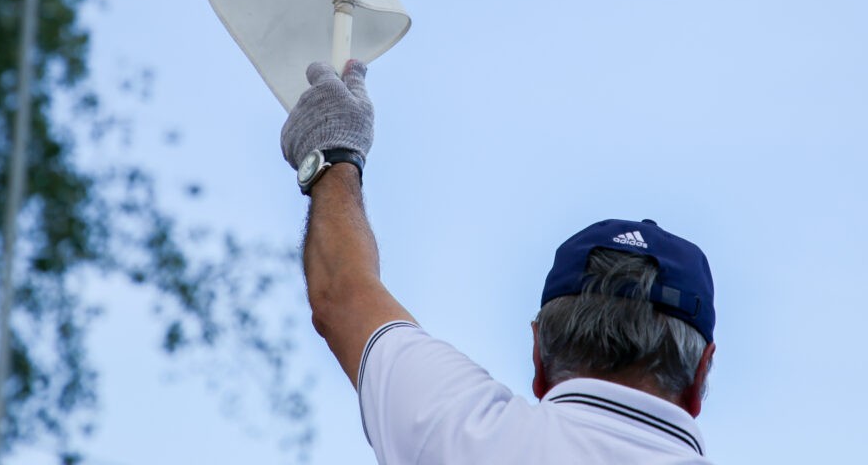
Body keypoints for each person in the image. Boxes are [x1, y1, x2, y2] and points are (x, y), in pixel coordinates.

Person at [281, 61, 718, 464]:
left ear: (539, 358)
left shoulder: (463, 431)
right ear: (701, 376)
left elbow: (342, 292)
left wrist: (334, 153)